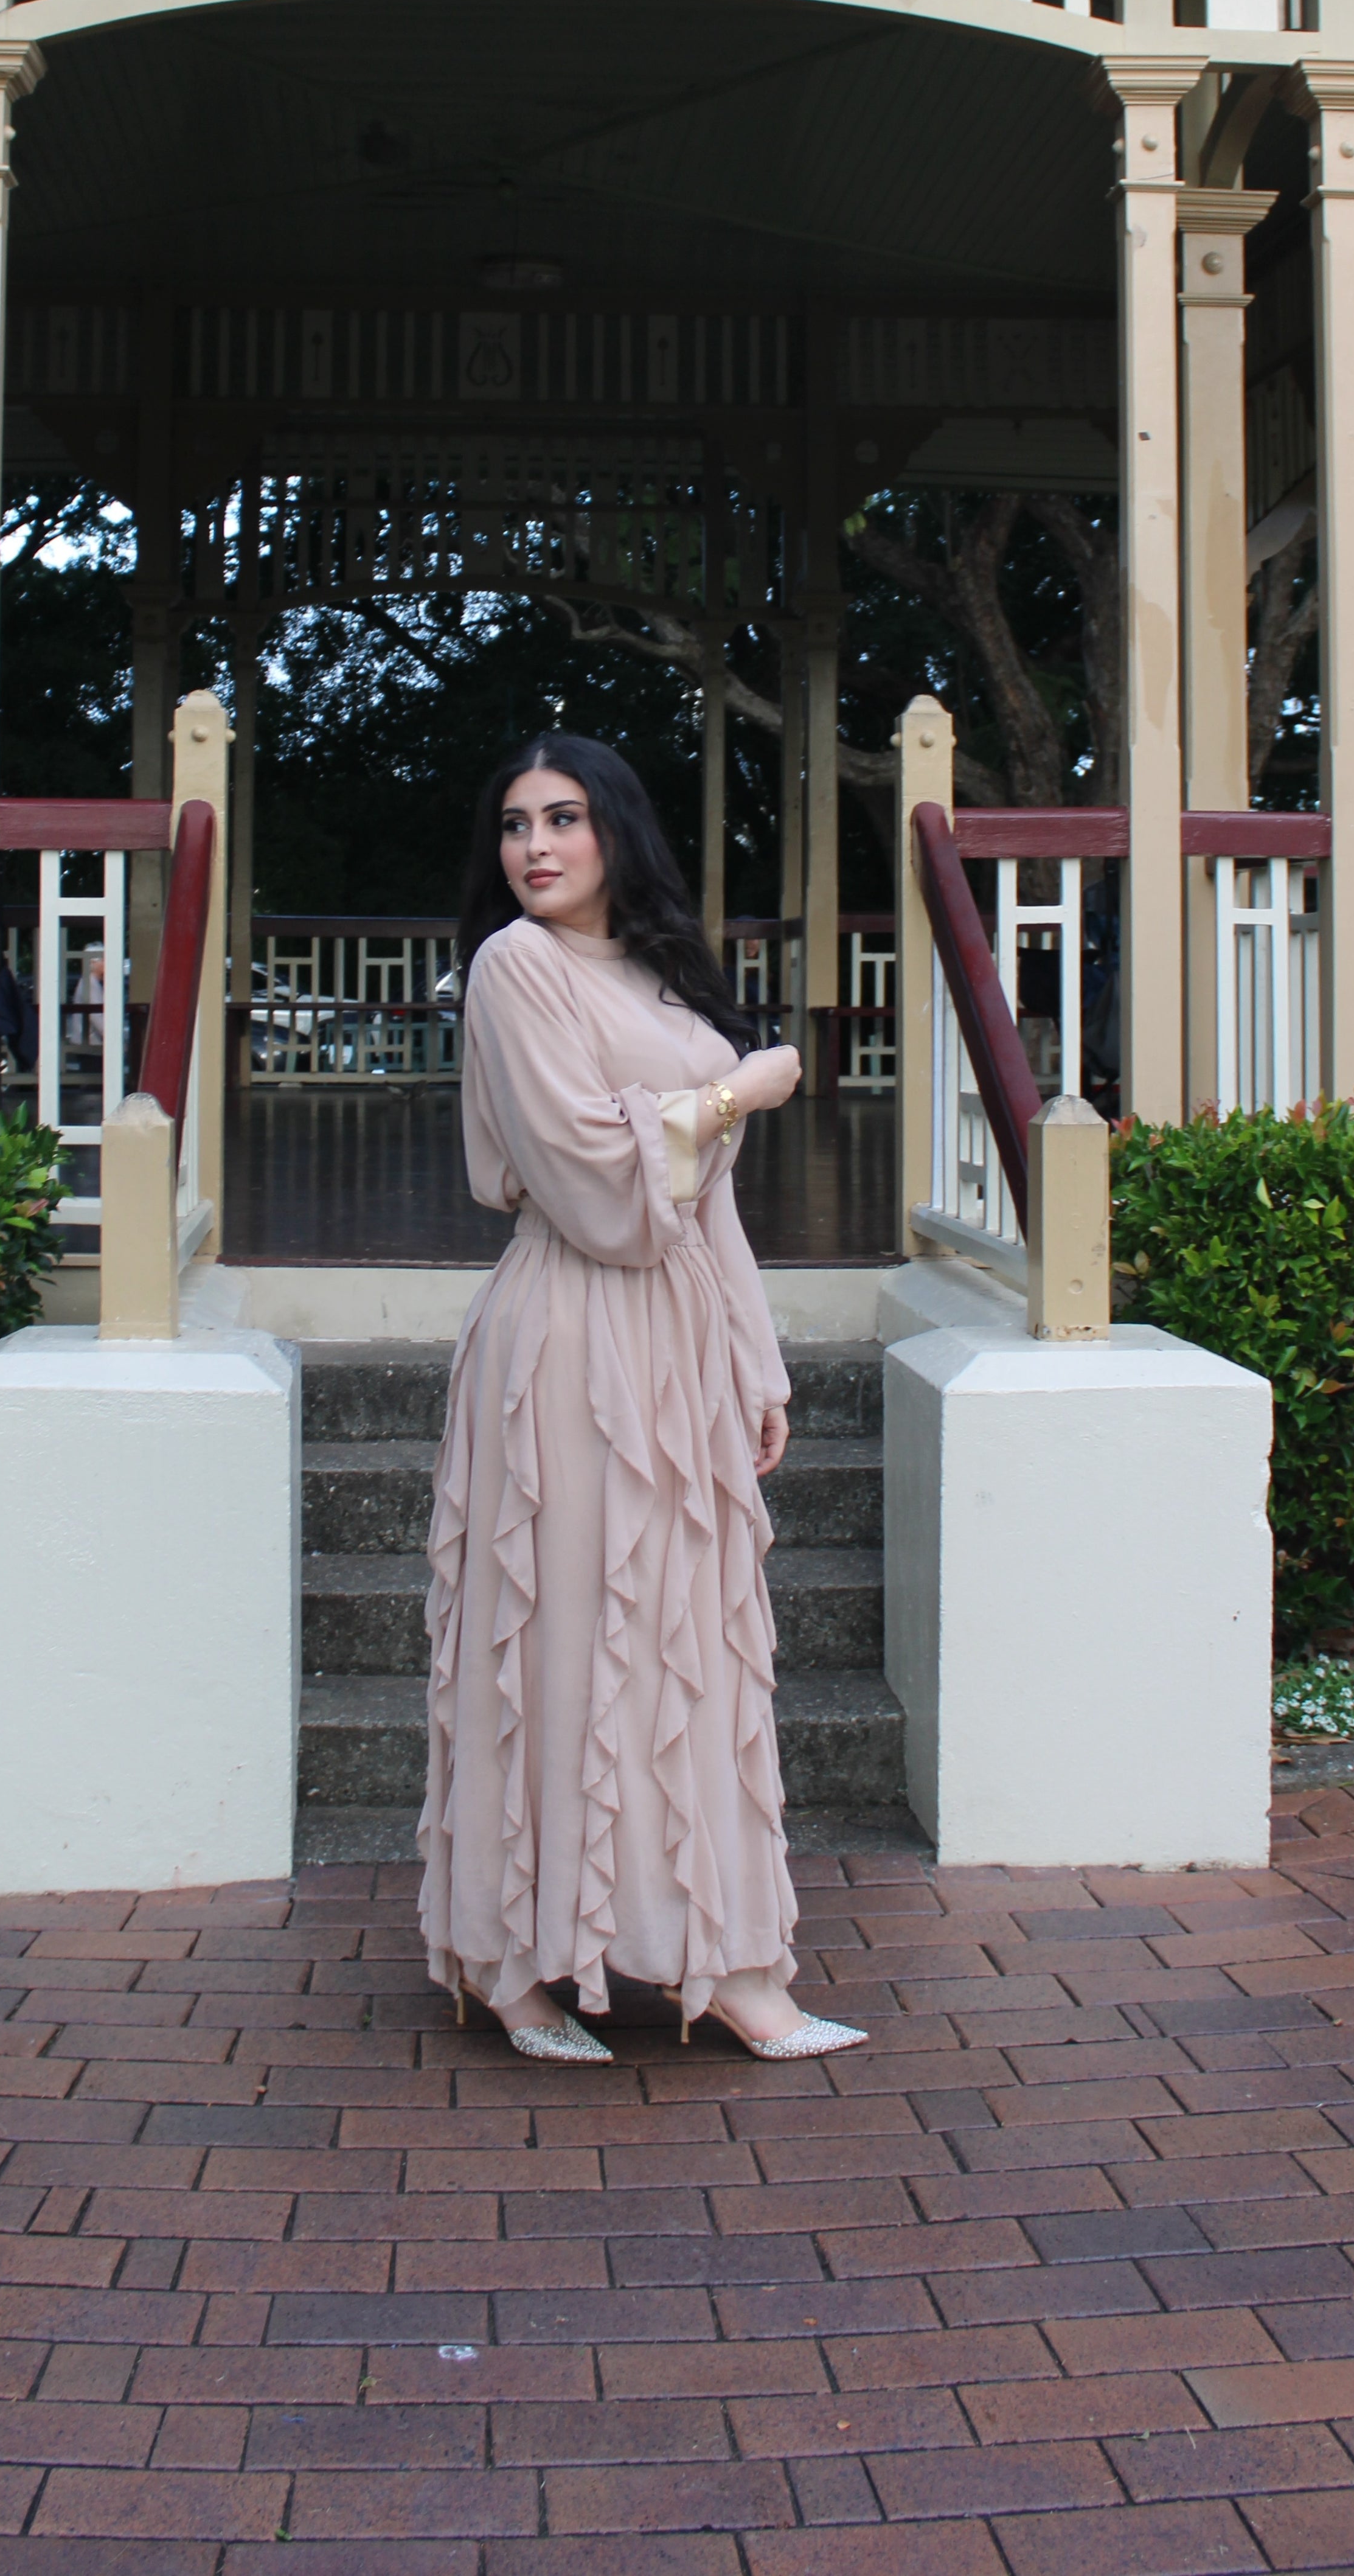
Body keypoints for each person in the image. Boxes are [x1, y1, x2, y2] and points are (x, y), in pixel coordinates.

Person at [418, 731, 865, 2066]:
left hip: (680, 1340)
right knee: (559, 1637)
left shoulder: (658, 977)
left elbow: (706, 1210)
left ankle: (725, 1962)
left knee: (689, 1646)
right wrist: (739, 1088)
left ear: (617, 830)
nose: (535, 847)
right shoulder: (515, 967)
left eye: (563, 818)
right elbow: (594, 1189)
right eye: (515, 824)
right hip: (567, 1337)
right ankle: (513, 1965)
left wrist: (757, 1364)